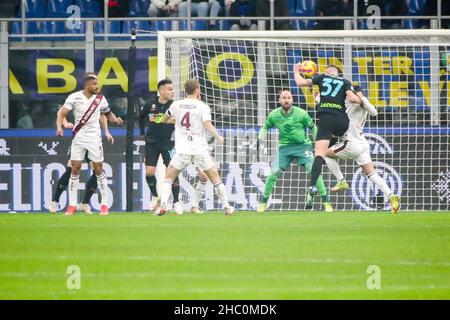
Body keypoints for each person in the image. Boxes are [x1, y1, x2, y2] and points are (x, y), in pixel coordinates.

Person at [156, 79, 234, 216]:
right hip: (199, 149)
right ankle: (227, 207)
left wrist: (172, 121)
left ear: (186, 90)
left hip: (182, 149)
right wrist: (218, 137)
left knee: (169, 177)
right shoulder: (203, 106)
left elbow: (164, 118)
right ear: (197, 90)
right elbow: (208, 125)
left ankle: (163, 204)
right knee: (215, 177)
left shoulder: (176, 105)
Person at [320, 85, 399, 214]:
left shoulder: (356, 102)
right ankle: (391, 195)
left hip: (352, 143)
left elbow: (374, 112)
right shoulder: (355, 102)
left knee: (324, 154)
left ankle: (341, 181)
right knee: (371, 173)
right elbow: (372, 112)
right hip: (362, 144)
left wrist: (361, 98)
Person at [255, 89, 333, 212]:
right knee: (273, 172)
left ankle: (326, 202)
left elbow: (313, 128)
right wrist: (260, 139)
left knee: (313, 170)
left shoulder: (301, 113)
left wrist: (320, 145)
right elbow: (266, 127)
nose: (286, 100)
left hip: (303, 146)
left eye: (289, 98)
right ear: (279, 100)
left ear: (292, 100)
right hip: (285, 148)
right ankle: (263, 203)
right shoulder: (273, 115)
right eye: (284, 98)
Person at [293, 63, 361, 199]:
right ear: (337, 74)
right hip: (342, 123)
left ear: (327, 72)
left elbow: (300, 83)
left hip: (326, 119)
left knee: (319, 153)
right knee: (329, 147)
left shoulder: (322, 77)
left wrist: (296, 71)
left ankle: (312, 186)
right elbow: (353, 99)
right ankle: (334, 155)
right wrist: (360, 100)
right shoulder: (345, 82)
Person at [56, 72, 120, 216]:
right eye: (94, 84)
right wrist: (59, 127)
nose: (97, 86)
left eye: (97, 84)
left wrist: (116, 120)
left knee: (98, 169)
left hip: (94, 139)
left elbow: (108, 114)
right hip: (78, 138)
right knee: (75, 169)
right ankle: (72, 205)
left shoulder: (101, 99)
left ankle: (104, 204)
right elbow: (62, 113)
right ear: (87, 85)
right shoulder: (74, 97)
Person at [49, 107, 122, 214]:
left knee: (98, 172)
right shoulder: (77, 98)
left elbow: (102, 115)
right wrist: (64, 123)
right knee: (71, 170)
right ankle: (55, 201)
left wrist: (106, 131)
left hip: (92, 141)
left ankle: (85, 203)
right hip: (79, 140)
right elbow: (61, 112)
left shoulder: (97, 102)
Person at [139, 79, 183, 215]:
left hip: (168, 143)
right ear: (162, 91)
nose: (172, 91)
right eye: (170, 89)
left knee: (173, 172)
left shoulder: (175, 105)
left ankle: (176, 202)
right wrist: (142, 133)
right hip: (152, 142)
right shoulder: (149, 104)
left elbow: (177, 120)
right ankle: (155, 196)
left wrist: (159, 118)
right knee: (150, 172)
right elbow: (141, 118)